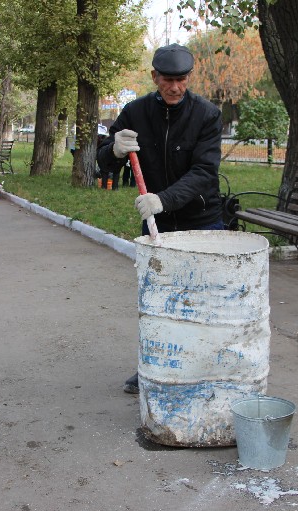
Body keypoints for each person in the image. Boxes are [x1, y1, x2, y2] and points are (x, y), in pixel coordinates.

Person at [96, 43, 224, 394]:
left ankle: (204, 368)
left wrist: (163, 199)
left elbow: (204, 172)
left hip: (201, 218)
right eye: (167, 79)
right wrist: (115, 150)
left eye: (181, 80)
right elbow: (103, 162)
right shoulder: (135, 112)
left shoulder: (207, 114)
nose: (175, 87)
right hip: (158, 224)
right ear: (154, 77)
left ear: (189, 78)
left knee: (202, 298)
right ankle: (155, 365)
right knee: (157, 299)